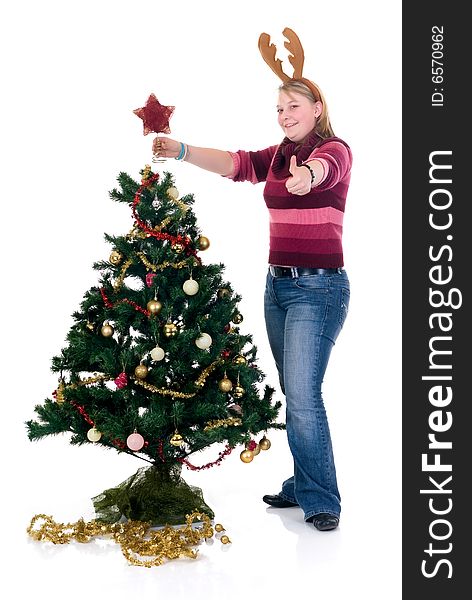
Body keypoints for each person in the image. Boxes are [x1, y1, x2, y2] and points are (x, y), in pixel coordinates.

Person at [151, 35, 352, 532]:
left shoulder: (334, 149)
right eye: (279, 108)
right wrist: (180, 149)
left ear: (317, 107)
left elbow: (327, 170)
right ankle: (303, 483)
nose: (284, 114)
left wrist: (309, 175)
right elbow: (237, 164)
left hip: (320, 289)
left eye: (294, 106)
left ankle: (321, 498)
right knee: (294, 390)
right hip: (278, 288)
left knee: (304, 395)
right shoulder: (279, 155)